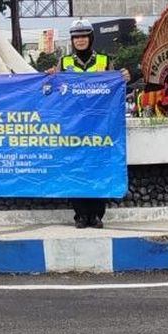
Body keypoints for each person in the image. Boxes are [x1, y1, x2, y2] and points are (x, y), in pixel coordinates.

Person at [46, 19, 128, 229]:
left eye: (84, 36)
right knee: (76, 168)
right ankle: (80, 215)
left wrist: (123, 77)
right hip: (73, 126)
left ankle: (97, 215)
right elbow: (54, 90)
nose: (80, 40)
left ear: (90, 38)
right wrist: (50, 77)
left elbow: (114, 86)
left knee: (98, 168)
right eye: (76, 37)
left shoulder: (104, 60)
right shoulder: (64, 63)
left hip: (99, 127)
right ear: (72, 40)